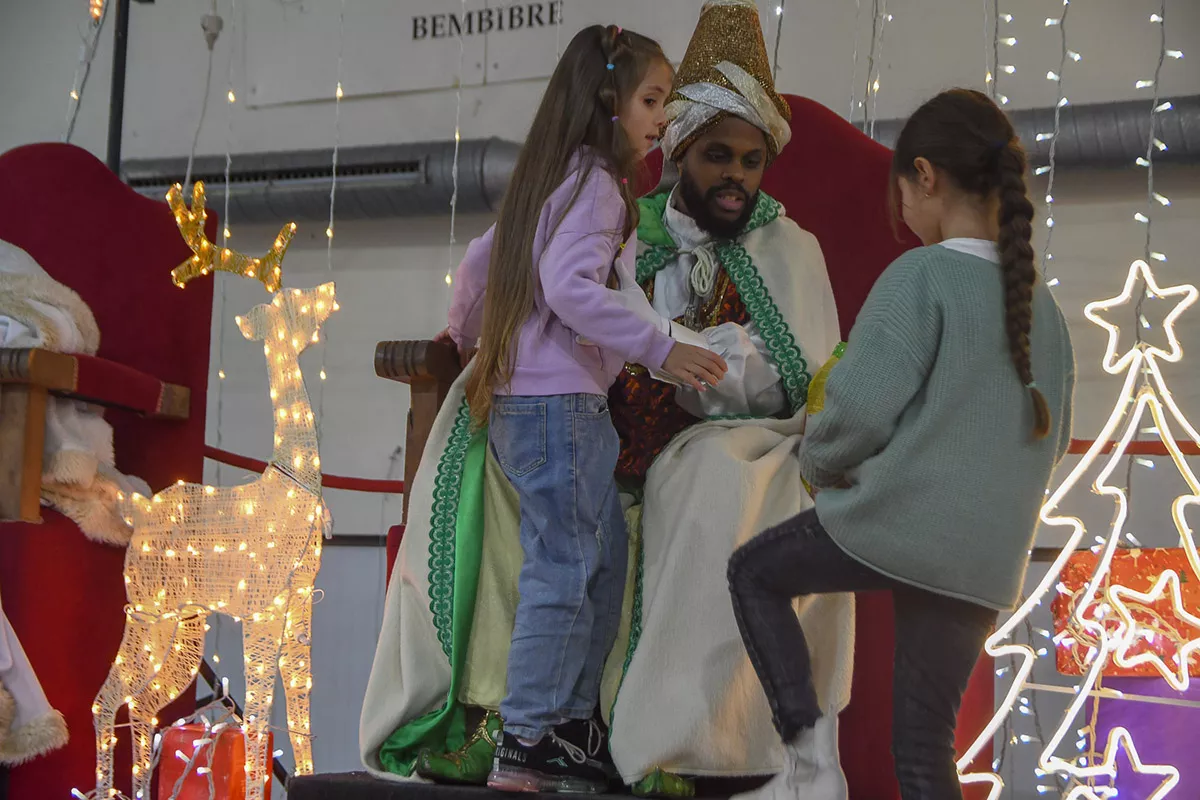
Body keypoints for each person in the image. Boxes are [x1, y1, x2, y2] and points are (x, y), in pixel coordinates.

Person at [359, 2, 848, 795]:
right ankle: (505, 719)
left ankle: (662, 739)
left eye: (751, 162)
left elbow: (796, 372)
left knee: (694, 491)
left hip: (704, 438)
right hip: (583, 424)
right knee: (522, 506)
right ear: (679, 149)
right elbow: (540, 279)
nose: (735, 177)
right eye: (717, 155)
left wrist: (685, 362)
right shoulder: (623, 208)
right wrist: (475, 343)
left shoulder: (785, 247)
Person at [727, 88, 1076, 800]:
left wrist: (822, 468)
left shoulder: (920, 276)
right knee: (924, 752)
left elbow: (857, 409)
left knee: (754, 573)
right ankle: (812, 767)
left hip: (900, 525)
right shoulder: (1044, 308)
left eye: (902, 199)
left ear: (925, 176)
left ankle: (807, 760)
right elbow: (1054, 435)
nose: (902, 218)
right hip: (984, 557)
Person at [416, 24, 726, 795]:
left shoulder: (549, 178)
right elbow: (569, 287)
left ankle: (567, 724)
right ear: (607, 102)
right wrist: (661, 347)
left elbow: (483, 261)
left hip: (536, 408)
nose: (662, 118)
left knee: (598, 561)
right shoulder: (593, 185)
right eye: (653, 100)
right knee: (568, 567)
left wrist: (462, 334)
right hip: (560, 408)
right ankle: (529, 734)